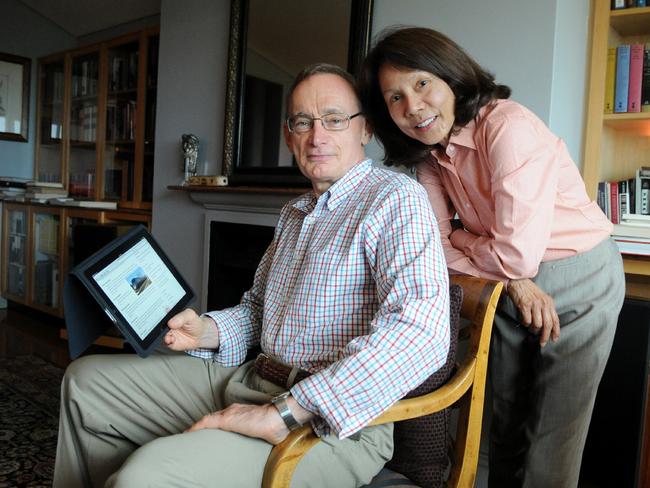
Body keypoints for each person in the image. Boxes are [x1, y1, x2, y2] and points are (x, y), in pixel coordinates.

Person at [53, 63, 452, 488]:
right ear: (289, 136)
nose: (317, 137)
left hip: (327, 423)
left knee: (145, 477)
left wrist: (284, 411)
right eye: (303, 122)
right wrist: (205, 330)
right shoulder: (295, 213)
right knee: (84, 384)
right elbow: (258, 310)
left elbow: (422, 332)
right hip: (252, 379)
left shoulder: (394, 198)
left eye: (334, 120)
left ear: (365, 129)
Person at [358, 27, 625, 488]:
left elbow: (515, 253)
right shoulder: (428, 158)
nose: (413, 106)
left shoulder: (506, 126)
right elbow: (436, 250)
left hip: (579, 273)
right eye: (394, 98)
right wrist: (510, 276)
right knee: (494, 416)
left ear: (451, 77)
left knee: (551, 436)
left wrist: (465, 240)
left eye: (422, 84)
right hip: (501, 283)